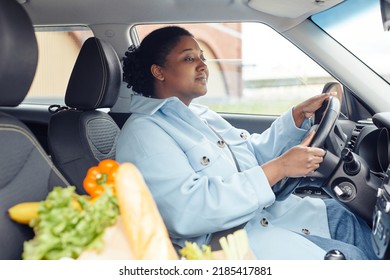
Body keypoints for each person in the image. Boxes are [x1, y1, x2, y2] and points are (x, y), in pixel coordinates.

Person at [116, 26, 377, 260]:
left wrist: (295, 118)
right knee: (352, 257)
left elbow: (250, 152)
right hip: (229, 242)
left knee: (345, 217)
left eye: (202, 57)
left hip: (266, 216)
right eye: (189, 58)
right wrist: (280, 168)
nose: (203, 65)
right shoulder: (144, 133)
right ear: (158, 71)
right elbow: (188, 210)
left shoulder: (201, 115)